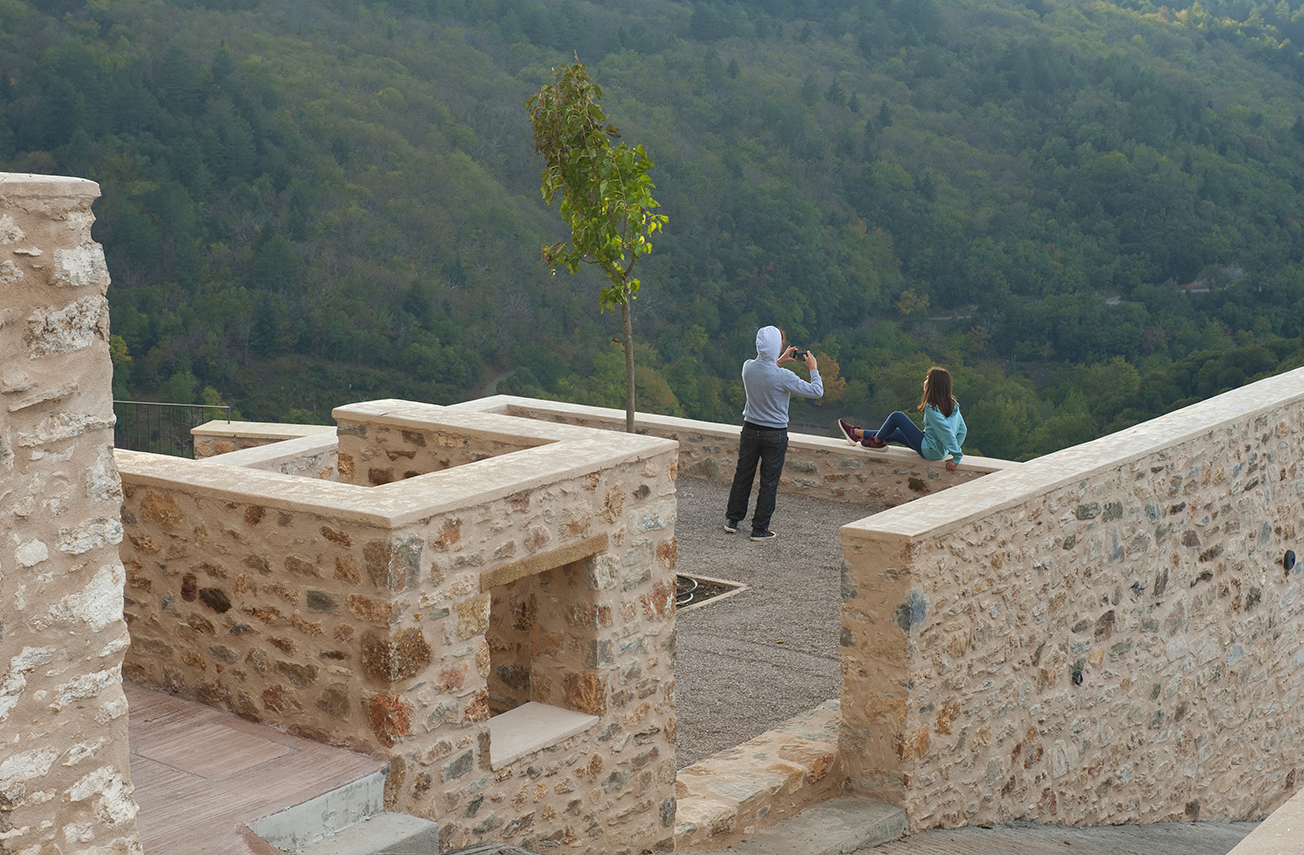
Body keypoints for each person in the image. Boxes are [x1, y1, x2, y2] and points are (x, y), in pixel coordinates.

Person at [725, 326, 823, 541]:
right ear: (777, 346)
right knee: (768, 482)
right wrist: (813, 369)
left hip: (750, 429)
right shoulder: (783, 376)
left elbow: (764, 370)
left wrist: (779, 359)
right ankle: (759, 529)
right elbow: (817, 391)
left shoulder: (747, 368)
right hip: (774, 434)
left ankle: (732, 520)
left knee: (743, 475)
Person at [838, 366, 966, 471]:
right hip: (937, 449)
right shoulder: (952, 403)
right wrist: (948, 450)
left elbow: (945, 432)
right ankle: (855, 433)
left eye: (927, 379)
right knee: (895, 432)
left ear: (933, 384)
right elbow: (962, 430)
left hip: (931, 450)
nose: (925, 381)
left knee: (897, 416)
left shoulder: (931, 407)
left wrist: (956, 456)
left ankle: (876, 441)